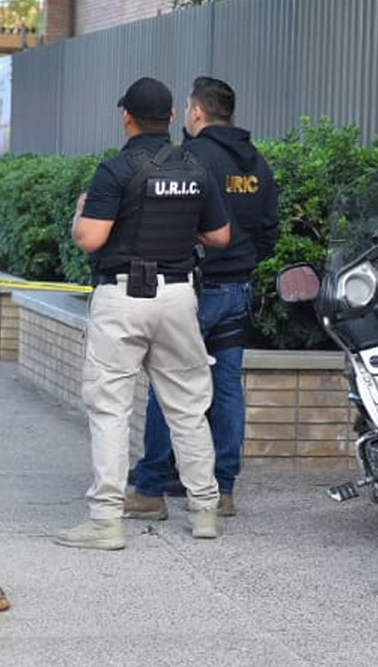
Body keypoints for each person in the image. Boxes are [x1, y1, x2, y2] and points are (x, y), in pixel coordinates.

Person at [59, 76, 232, 550]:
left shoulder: (114, 171)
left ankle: (105, 522)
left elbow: (91, 239)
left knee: (111, 409)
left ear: (126, 117)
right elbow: (220, 237)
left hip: (123, 298)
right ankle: (204, 512)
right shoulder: (197, 169)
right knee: (189, 409)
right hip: (179, 297)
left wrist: (80, 214)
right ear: (174, 117)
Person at [127, 76, 280, 521]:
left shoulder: (192, 156)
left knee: (168, 383)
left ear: (195, 113)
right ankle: (223, 489)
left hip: (197, 287)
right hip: (239, 288)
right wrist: (244, 261)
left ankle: (151, 486)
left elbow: (171, 218)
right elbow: (270, 229)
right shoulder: (257, 164)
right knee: (228, 388)